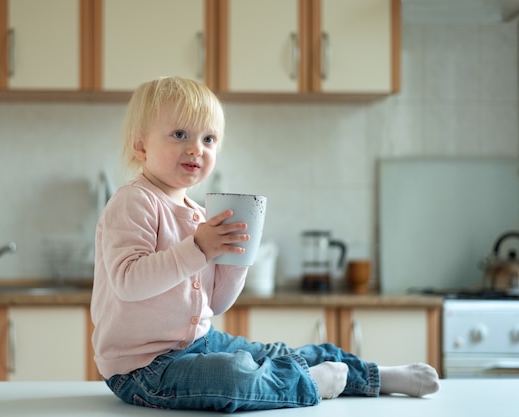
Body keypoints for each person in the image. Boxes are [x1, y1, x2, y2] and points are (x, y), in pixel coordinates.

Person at [90, 76, 440, 413]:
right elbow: (128, 281)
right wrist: (199, 249)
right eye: (180, 134)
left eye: (209, 139)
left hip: (197, 344)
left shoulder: (199, 215)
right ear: (141, 145)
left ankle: (372, 377)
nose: (196, 148)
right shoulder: (134, 201)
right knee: (235, 378)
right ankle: (311, 384)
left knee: (275, 352)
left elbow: (215, 303)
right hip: (142, 369)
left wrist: (237, 261)